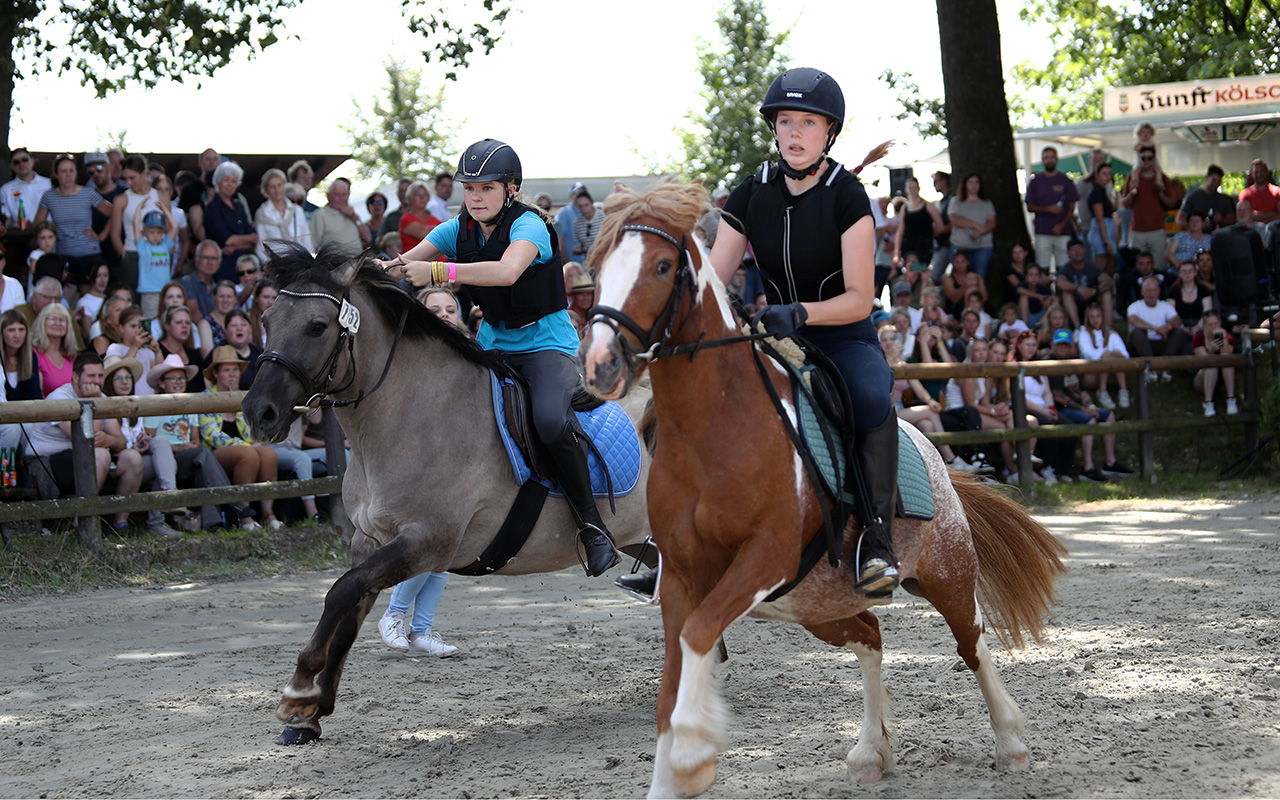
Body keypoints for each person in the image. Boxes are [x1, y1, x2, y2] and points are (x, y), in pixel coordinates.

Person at [382, 139, 619, 578]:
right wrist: (360, 272)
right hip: (492, 343)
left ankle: (593, 527)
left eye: (486, 188)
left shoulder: (530, 226)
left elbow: (508, 271)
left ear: (511, 189)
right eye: (468, 188)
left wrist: (439, 272)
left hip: (546, 345)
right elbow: (400, 264)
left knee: (549, 419)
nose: (474, 197)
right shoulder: (457, 228)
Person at [706, 67, 899, 598]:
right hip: (773, 337)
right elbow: (713, 279)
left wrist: (803, 313)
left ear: (829, 133)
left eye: (807, 123)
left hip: (842, 337)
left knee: (867, 397)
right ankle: (674, 539)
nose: (794, 133)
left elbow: (861, 297)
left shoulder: (848, 195)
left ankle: (878, 538)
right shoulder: (749, 195)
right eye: (785, 121)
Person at [19, 353, 143, 532]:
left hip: (81, 461)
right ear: (75, 376)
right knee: (99, 454)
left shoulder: (101, 396)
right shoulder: (60, 398)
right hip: (45, 466)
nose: (97, 381)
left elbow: (121, 441)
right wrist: (95, 403)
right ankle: (81, 526)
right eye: (91, 376)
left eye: (100, 376)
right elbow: (86, 438)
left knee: (132, 457)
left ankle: (121, 523)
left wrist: (110, 439)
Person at [144, 353, 234, 530]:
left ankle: (212, 523)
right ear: (161, 383)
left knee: (204, 466)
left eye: (182, 378)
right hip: (165, 460)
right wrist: (178, 448)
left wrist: (185, 448)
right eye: (173, 378)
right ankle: (231, 503)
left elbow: (195, 441)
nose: (178, 382)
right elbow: (150, 443)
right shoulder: (153, 406)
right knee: (204, 455)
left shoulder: (190, 404)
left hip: (187, 458)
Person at [198, 346, 282, 530]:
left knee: (269, 454)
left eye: (235, 369)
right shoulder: (205, 397)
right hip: (213, 455)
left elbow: (250, 431)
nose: (232, 374)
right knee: (248, 454)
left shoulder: (243, 396)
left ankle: (268, 514)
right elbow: (211, 436)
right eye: (227, 370)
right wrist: (247, 445)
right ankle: (244, 517)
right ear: (216, 373)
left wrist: (236, 401)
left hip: (245, 448)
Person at [101, 354, 183, 536]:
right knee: (164, 464)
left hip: (135, 461)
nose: (125, 382)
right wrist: (133, 449)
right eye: (119, 378)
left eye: (128, 377)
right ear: (109, 382)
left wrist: (142, 442)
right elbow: (114, 447)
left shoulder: (137, 405)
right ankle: (157, 520)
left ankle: (170, 497)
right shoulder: (105, 405)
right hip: (114, 465)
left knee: (161, 446)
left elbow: (139, 439)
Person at [877, 326, 979, 472]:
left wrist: (930, 400)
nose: (888, 343)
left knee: (927, 424)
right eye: (884, 340)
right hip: (887, 410)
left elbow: (919, 389)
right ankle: (951, 459)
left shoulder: (903, 365)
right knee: (930, 412)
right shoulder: (878, 363)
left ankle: (929, 468)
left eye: (891, 339)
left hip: (900, 410)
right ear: (879, 343)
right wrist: (891, 360)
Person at [1047, 329, 1133, 483]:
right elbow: (1058, 396)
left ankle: (1110, 462)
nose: (1063, 348)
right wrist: (1084, 410)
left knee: (1108, 415)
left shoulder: (1075, 362)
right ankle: (1088, 468)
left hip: (1081, 408)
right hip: (1063, 410)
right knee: (1089, 421)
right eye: (1060, 345)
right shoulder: (1050, 363)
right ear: (1052, 345)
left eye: (1066, 345)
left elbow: (1081, 391)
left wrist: (1090, 405)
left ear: (1071, 346)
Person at [33, 153, 114, 287]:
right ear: (56, 174)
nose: (68, 175)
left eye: (71, 170)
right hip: (63, 255)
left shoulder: (88, 193)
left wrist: (102, 236)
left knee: (88, 301)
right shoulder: (49, 196)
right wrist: (49, 238)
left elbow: (114, 213)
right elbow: (38, 225)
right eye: (64, 171)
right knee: (63, 300)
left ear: (76, 172)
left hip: (89, 253)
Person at [108, 155, 161, 291]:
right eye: (125, 179)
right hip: (132, 254)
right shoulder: (121, 199)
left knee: (154, 302)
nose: (129, 182)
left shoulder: (161, 197)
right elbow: (114, 233)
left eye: (132, 178)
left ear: (144, 174)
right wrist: (124, 256)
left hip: (156, 256)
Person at [1025, 146, 1078, 274]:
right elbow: (1030, 206)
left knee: (1064, 269)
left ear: (1057, 159)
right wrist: (1048, 209)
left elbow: (1071, 207)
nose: (1049, 160)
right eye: (1046, 158)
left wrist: (1063, 225)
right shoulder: (1035, 181)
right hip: (1042, 232)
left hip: (1063, 232)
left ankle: (1061, 293)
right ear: (1042, 160)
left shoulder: (1066, 181)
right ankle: (1045, 294)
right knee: (1042, 268)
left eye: (1052, 157)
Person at [203, 161, 258, 283]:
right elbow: (228, 240)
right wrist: (244, 240)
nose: (230, 184)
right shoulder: (212, 208)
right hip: (226, 266)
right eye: (226, 180)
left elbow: (254, 237)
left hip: (246, 264)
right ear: (217, 182)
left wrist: (235, 246)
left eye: (233, 181)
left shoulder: (238, 205)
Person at [1126, 275, 1186, 381]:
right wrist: (1155, 329)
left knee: (1178, 332)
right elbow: (1134, 321)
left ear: (1159, 291)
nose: (1151, 294)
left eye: (1154, 290)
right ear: (1142, 292)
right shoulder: (1134, 306)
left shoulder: (1165, 306)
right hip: (1141, 344)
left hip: (1160, 342)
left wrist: (1168, 327)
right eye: (1148, 290)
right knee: (1137, 332)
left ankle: (1166, 367)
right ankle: (1150, 368)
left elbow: (1177, 321)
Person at [1120, 145, 1175, 258]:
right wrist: (1132, 192)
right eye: (1143, 158)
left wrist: (1160, 192)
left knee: (1159, 265)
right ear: (1138, 159)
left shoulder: (1163, 178)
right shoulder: (1131, 177)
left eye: (1149, 158)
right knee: (1137, 264)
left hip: (1157, 229)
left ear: (1154, 159)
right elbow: (1125, 204)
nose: (1146, 161)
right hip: (1137, 230)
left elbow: (1171, 203)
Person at [1076, 303, 1130, 410]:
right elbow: (1087, 352)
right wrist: (1105, 354)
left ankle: (1123, 391)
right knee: (1107, 358)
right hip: (1091, 372)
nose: (1095, 320)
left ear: (1103, 317)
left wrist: (1114, 354)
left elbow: (1124, 354)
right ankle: (1102, 391)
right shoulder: (1083, 333)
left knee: (1116, 358)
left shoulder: (1111, 333)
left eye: (1098, 316)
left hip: (1112, 370)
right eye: (1092, 316)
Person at [254, 168, 312, 262]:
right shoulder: (262, 213)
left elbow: (306, 239)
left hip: (300, 263)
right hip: (276, 265)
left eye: (279, 185)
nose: (277, 190)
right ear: (266, 190)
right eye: (272, 187)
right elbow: (261, 247)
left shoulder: (297, 210)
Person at [1055, 238, 1114, 329]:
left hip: (1092, 303)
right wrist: (1078, 288)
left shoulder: (1093, 267)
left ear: (1084, 250)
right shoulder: (1065, 269)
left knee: (1106, 293)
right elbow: (1060, 282)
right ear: (1068, 253)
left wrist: (1096, 290)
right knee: (1066, 293)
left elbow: (1108, 281)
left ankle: (1108, 327)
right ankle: (1078, 328)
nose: (1077, 252)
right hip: (1074, 305)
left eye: (1079, 248)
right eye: (1073, 250)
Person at [947, 173, 996, 278]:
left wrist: (981, 231)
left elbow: (992, 221)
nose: (973, 185)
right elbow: (955, 220)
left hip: (983, 247)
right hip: (960, 246)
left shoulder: (987, 203)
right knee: (959, 277)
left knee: (979, 277)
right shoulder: (956, 201)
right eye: (970, 182)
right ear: (965, 185)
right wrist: (975, 225)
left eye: (976, 182)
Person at [892, 177, 942, 274]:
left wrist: (929, 236)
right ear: (906, 189)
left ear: (918, 188)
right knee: (910, 272)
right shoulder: (904, 208)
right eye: (910, 188)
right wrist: (896, 252)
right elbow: (900, 230)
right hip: (908, 247)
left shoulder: (928, 205)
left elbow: (940, 226)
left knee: (921, 272)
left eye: (915, 187)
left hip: (924, 248)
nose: (913, 190)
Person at [1192, 309, 1237, 417]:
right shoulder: (1198, 338)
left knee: (1227, 361)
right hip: (1203, 376)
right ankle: (1208, 403)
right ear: (1204, 325)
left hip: (1222, 376)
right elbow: (1203, 360)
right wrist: (1211, 350)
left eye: (1215, 324)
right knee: (1211, 364)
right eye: (1210, 324)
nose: (1213, 327)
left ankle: (1231, 400)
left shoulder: (1228, 337)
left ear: (1220, 323)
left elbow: (1227, 354)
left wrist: (1224, 339)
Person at [135, 209, 179, 317]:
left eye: (159, 232)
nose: (155, 235)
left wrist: (164, 208)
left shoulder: (165, 244)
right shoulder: (143, 246)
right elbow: (135, 224)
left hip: (165, 291)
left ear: (163, 233)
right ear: (144, 232)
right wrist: (140, 207)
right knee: (150, 320)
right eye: (151, 232)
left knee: (166, 319)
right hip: (149, 292)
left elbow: (175, 227)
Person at [156, 303, 207, 393]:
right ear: (167, 326)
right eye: (179, 322)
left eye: (188, 323)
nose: (185, 326)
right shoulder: (156, 350)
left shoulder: (195, 355)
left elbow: (202, 389)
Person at [309, 177, 370, 252]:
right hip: (334, 262)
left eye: (344, 194)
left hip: (357, 262)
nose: (341, 198)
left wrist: (354, 217)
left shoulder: (353, 215)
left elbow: (368, 239)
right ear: (328, 196)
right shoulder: (320, 215)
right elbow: (312, 245)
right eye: (337, 195)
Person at [31, 303, 79, 396]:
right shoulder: (34, 354)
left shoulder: (72, 356)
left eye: (62, 320)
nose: (57, 323)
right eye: (53, 319)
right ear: (42, 322)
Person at [1, 148, 52, 230]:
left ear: (32, 161)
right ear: (11, 166)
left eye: (25, 160)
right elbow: (7, 221)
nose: (21, 164)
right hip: (19, 237)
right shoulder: (5, 190)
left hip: (48, 236)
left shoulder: (49, 184)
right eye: (16, 162)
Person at [1178, 165, 1235, 231]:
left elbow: (1232, 221)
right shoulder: (1193, 197)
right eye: (1214, 180)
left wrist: (1221, 220)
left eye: (1219, 181)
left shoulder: (1225, 199)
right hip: (1198, 237)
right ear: (1207, 177)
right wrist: (1196, 224)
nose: (1216, 184)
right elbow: (1180, 219)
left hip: (1219, 237)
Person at [1085, 162, 1118, 276]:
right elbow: (1100, 219)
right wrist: (1106, 241)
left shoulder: (1104, 191)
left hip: (1107, 228)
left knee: (1110, 263)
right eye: (1104, 174)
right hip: (1102, 231)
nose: (1108, 177)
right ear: (1097, 175)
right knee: (1101, 266)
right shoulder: (1096, 192)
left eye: (1109, 174)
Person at [2, 310, 41, 401]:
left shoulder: (31, 356)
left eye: (21, 329)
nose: (17, 335)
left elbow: (35, 394)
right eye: (11, 330)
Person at [1166, 261, 1213, 336]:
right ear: (1179, 273)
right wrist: (1182, 327)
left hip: (1201, 326)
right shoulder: (1173, 291)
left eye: (1190, 271)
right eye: (1184, 271)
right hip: (1179, 328)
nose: (1187, 274)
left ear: (1195, 272)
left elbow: (1207, 313)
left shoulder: (1204, 290)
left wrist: (1198, 327)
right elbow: (1170, 314)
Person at [222, 308, 262, 388]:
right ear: (225, 330)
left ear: (250, 329)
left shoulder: (261, 354)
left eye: (243, 325)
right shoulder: (219, 353)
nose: (239, 328)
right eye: (234, 325)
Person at [397, 180, 443, 251]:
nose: (422, 198)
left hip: (440, 261)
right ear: (410, 198)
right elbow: (431, 238)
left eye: (425, 195)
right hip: (416, 261)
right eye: (417, 195)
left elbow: (448, 234)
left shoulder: (432, 219)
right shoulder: (406, 218)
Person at [181, 240, 221, 321]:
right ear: (196, 260)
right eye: (205, 257)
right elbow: (193, 311)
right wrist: (209, 330)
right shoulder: (187, 282)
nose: (210, 262)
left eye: (214, 258)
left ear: (219, 263)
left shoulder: (219, 287)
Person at [197, 280, 239, 356]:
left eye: (229, 296)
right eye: (221, 296)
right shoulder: (205, 323)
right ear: (214, 298)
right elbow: (207, 355)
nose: (225, 300)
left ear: (235, 299)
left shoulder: (240, 322)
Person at [75, 261, 110, 340]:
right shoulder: (84, 302)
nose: (102, 280)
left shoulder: (110, 298)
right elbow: (88, 333)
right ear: (88, 277)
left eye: (105, 275)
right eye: (98, 275)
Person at [1238, 158, 1280, 225]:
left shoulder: (1277, 192)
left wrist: (1257, 215)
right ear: (1252, 173)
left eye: (1262, 171)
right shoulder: (1245, 194)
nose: (1259, 174)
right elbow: (1246, 216)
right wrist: (1273, 214)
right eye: (1256, 172)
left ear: (1267, 172)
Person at [571, 189, 603, 263]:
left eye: (586, 205)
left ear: (591, 203)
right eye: (580, 206)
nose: (584, 209)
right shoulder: (577, 223)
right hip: (589, 261)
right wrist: (579, 249)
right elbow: (582, 244)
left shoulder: (603, 217)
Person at [248, 280, 278, 348]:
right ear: (256, 298)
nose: (270, 302)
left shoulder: (282, 321)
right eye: (266, 297)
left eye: (274, 298)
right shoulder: (247, 319)